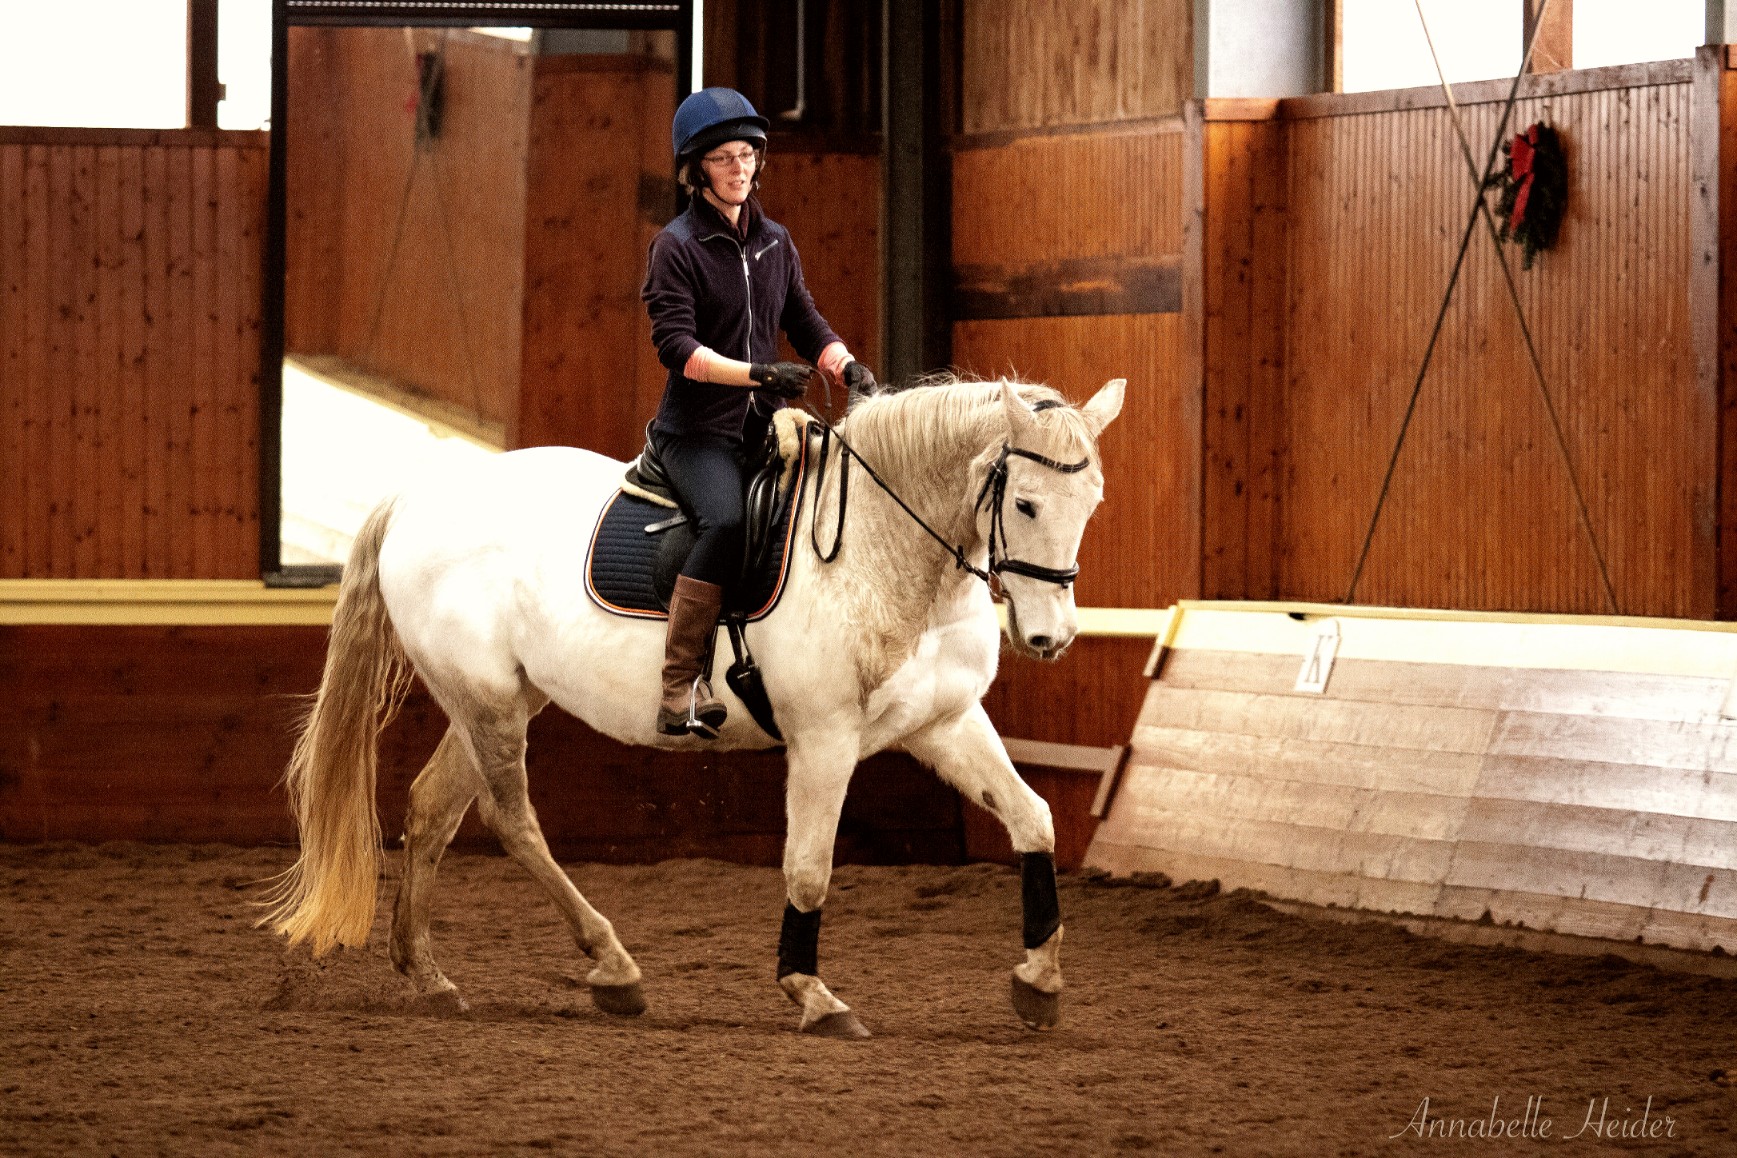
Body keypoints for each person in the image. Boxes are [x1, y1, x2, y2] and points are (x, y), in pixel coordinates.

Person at [641, 87, 875, 740]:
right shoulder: (676, 247)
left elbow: (801, 318)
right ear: (697, 168)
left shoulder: (774, 241)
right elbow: (678, 350)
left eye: (747, 155)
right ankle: (680, 683)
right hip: (697, 434)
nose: (740, 167)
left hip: (766, 425)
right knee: (726, 519)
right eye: (723, 158)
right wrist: (757, 374)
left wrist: (841, 363)